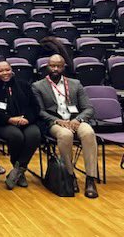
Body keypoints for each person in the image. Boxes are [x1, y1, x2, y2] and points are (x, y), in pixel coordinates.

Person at [31, 54, 98, 198]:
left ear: (63, 67)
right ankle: (69, 175)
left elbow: (89, 108)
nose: (55, 69)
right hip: (55, 122)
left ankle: (90, 179)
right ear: (47, 66)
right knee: (65, 135)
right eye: (52, 65)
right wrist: (57, 121)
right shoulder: (38, 86)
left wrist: (79, 119)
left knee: (89, 133)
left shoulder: (75, 84)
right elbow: (39, 111)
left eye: (58, 66)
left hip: (76, 120)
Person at [0, 59, 41, 190]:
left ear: (12, 70)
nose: (5, 73)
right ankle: (19, 170)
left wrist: (25, 119)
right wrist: (9, 119)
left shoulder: (24, 85)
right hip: (0, 123)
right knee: (16, 135)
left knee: (35, 134)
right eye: (1, 71)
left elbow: (35, 107)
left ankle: (18, 170)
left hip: (25, 121)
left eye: (7, 70)